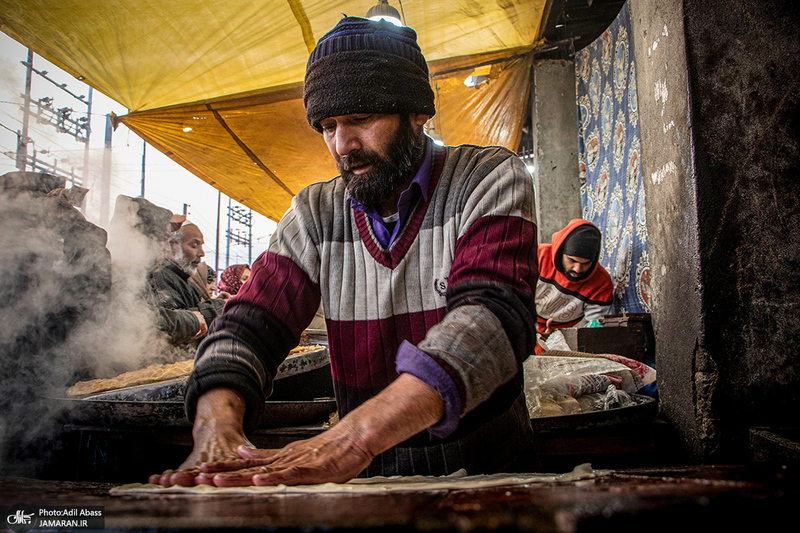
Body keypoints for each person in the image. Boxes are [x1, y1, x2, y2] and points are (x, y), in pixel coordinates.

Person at [151, 16, 538, 488]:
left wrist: (354, 437)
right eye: (328, 125)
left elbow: (491, 319)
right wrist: (217, 425)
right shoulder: (314, 213)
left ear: (418, 111)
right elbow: (250, 323)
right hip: (366, 485)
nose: (342, 144)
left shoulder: (488, 177)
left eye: (360, 118)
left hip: (492, 476)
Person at [535, 219, 613, 352]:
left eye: (586, 263)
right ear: (560, 251)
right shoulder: (539, 256)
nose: (577, 269)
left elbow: (595, 331)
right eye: (571, 260)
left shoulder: (601, 284)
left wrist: (558, 337)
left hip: (559, 339)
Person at [147, 221, 228, 345]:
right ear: (171, 245)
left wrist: (217, 301)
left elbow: (191, 312)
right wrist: (219, 307)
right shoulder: (161, 276)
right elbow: (174, 328)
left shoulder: (182, 279)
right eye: (194, 246)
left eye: (201, 246)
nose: (202, 253)